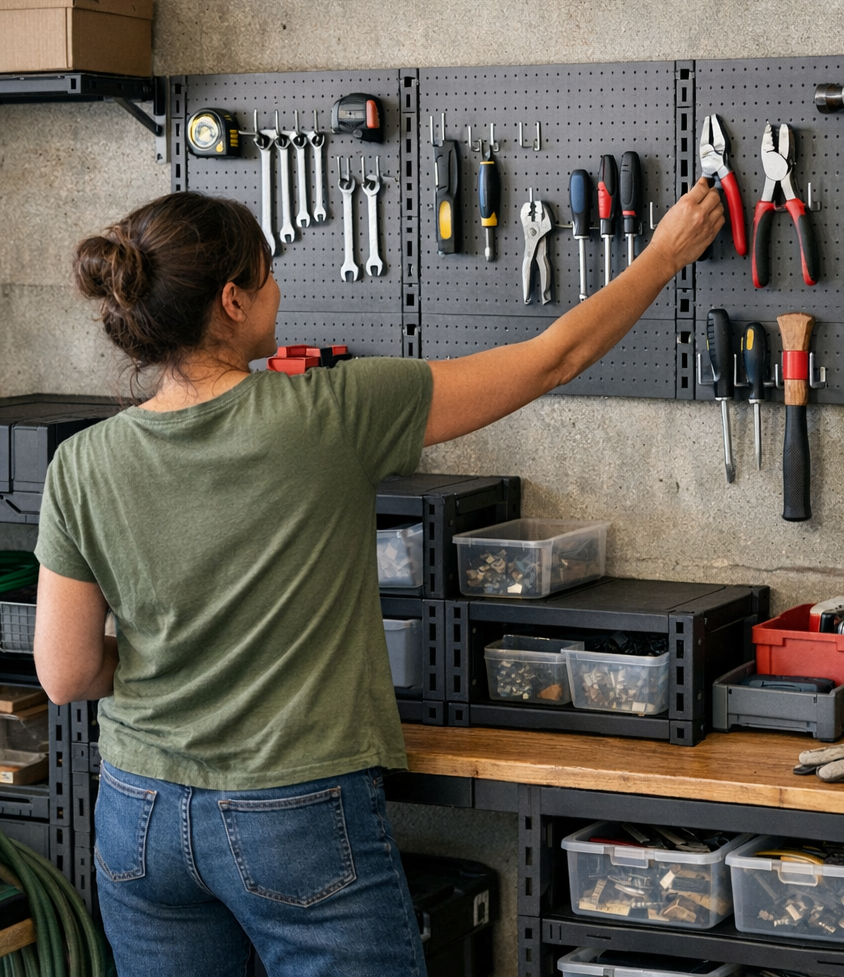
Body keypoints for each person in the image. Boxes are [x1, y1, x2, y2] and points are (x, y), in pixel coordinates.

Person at [32, 180, 723, 977]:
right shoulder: (333, 411)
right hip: (293, 806)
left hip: (138, 812)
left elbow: (67, 674)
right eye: (269, 276)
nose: (280, 292)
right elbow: (553, 359)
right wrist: (663, 254)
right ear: (232, 301)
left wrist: (171, 654)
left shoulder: (81, 462)